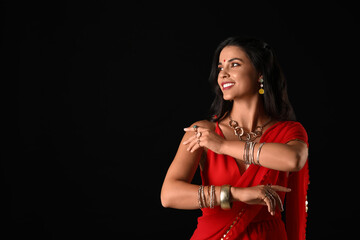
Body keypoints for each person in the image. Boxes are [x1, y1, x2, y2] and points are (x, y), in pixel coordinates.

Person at [161, 36, 309, 240]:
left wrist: (222, 146)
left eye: (234, 64)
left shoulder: (288, 131)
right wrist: (234, 194)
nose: (223, 74)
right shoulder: (203, 131)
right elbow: (169, 195)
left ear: (260, 73)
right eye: (220, 67)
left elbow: (293, 159)